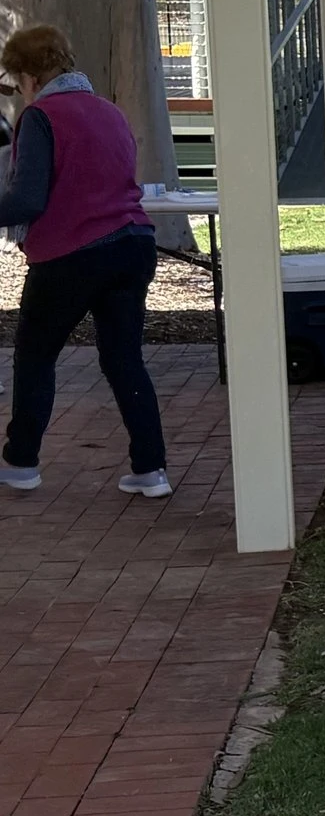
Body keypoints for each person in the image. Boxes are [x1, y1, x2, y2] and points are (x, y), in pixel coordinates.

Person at [0, 25, 170, 498]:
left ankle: (21, 462)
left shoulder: (41, 117)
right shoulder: (108, 111)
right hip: (133, 242)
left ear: (30, 76)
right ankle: (151, 468)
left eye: (16, 81)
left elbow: (27, 199)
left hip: (72, 252)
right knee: (124, 359)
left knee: (36, 356)